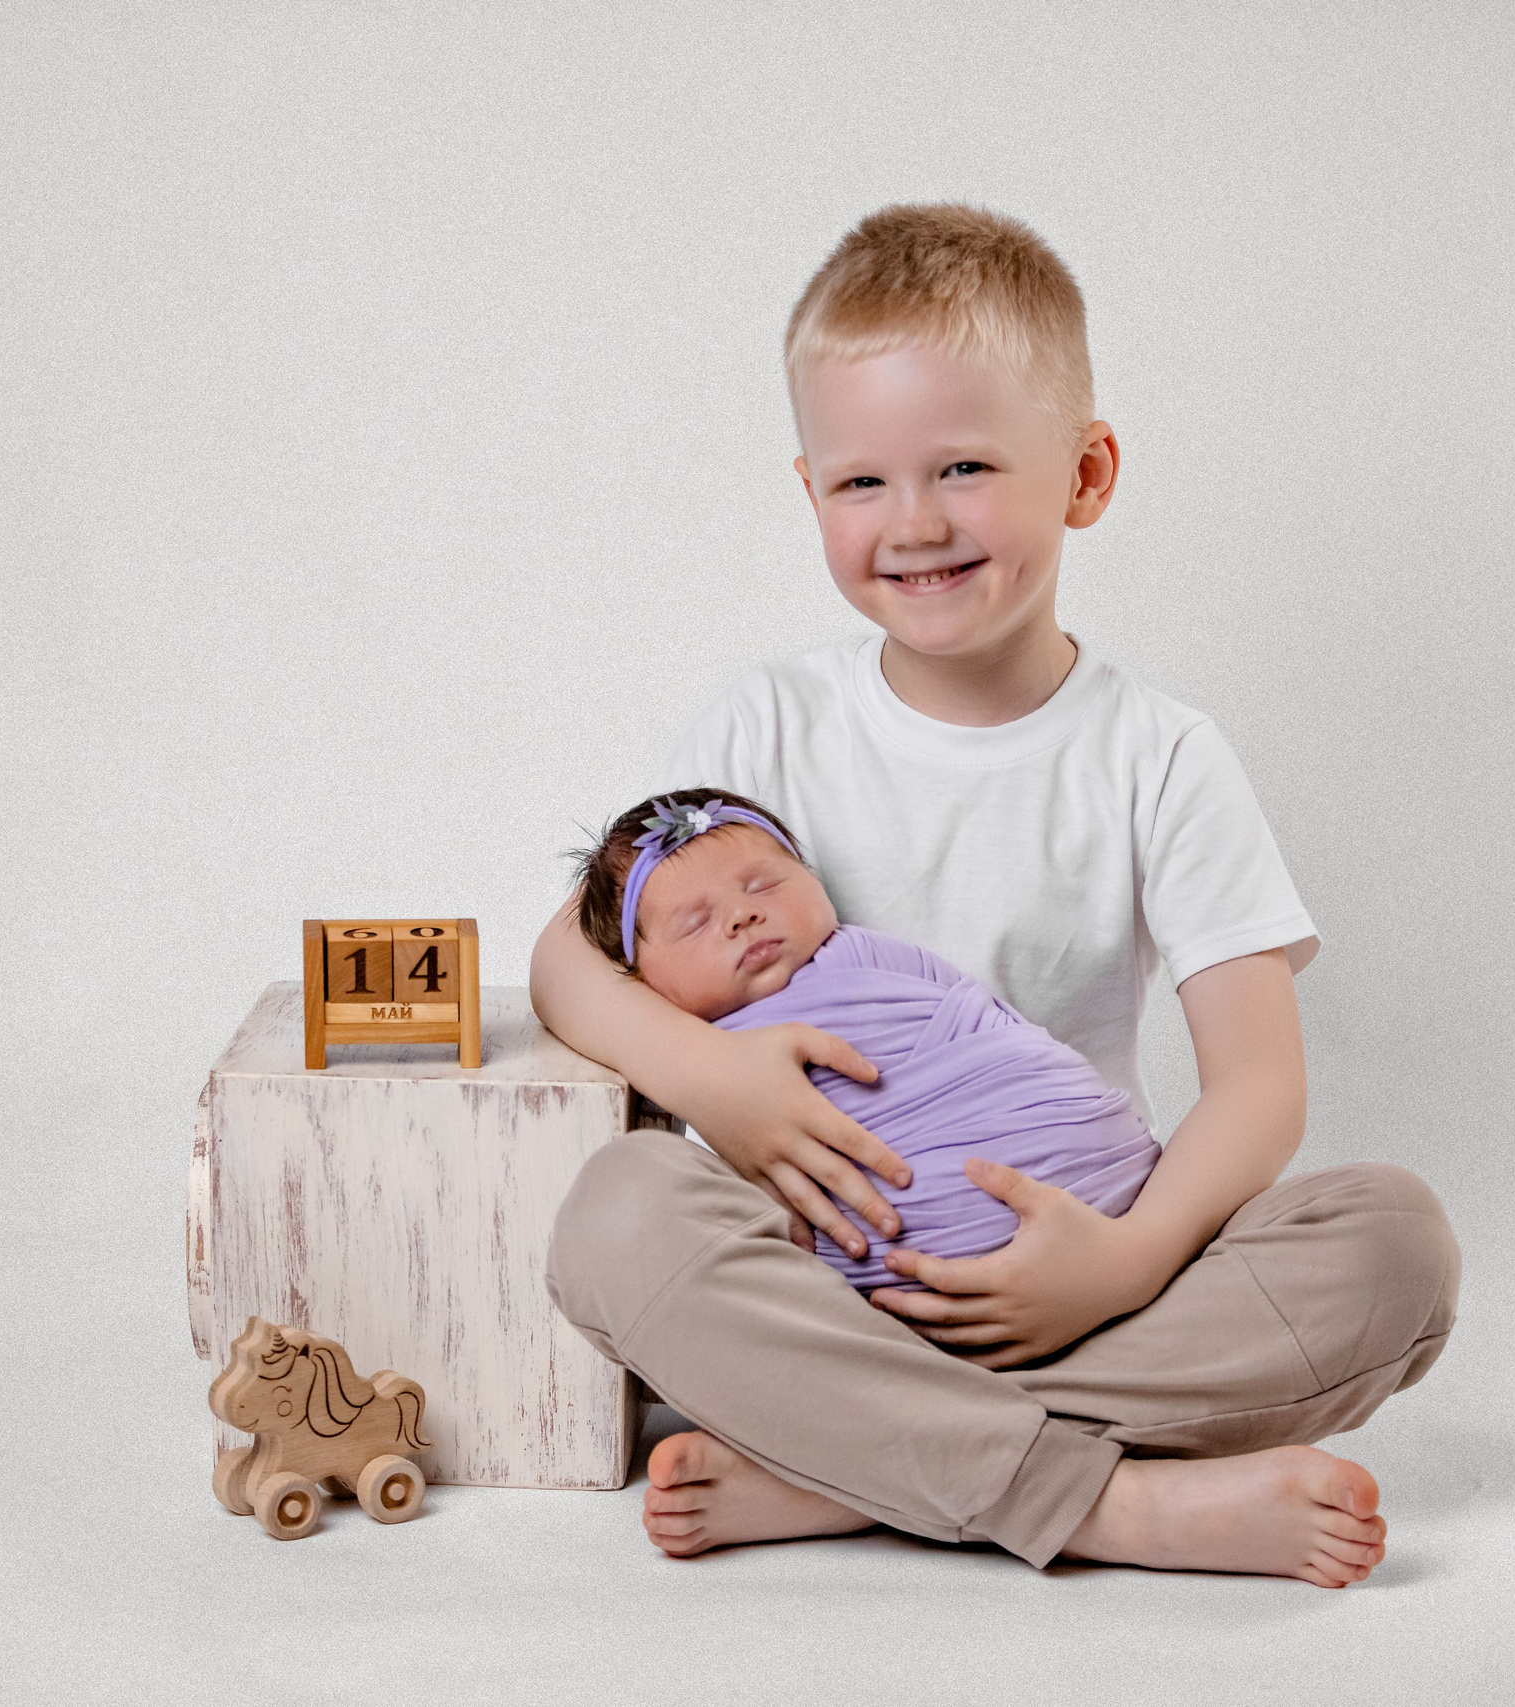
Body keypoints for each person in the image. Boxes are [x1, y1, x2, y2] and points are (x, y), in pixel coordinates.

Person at [531, 202, 1460, 1587]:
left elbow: (1260, 1087)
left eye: (963, 466)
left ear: (1085, 473)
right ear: (809, 492)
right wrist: (712, 1083)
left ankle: (848, 1466)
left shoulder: (1158, 755)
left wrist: (1128, 1259)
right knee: (617, 1209)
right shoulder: (767, 725)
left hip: (1085, 1288)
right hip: (825, 1291)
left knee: (1393, 1244)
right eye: (861, 482)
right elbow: (568, 958)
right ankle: (1114, 1507)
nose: (914, 523)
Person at [570, 787, 1162, 1291]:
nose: (742, 916)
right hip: (917, 1242)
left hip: (1111, 1191)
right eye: (696, 923)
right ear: (637, 977)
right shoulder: (680, 1043)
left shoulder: (870, 955)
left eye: (765, 885)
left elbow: (991, 1027)